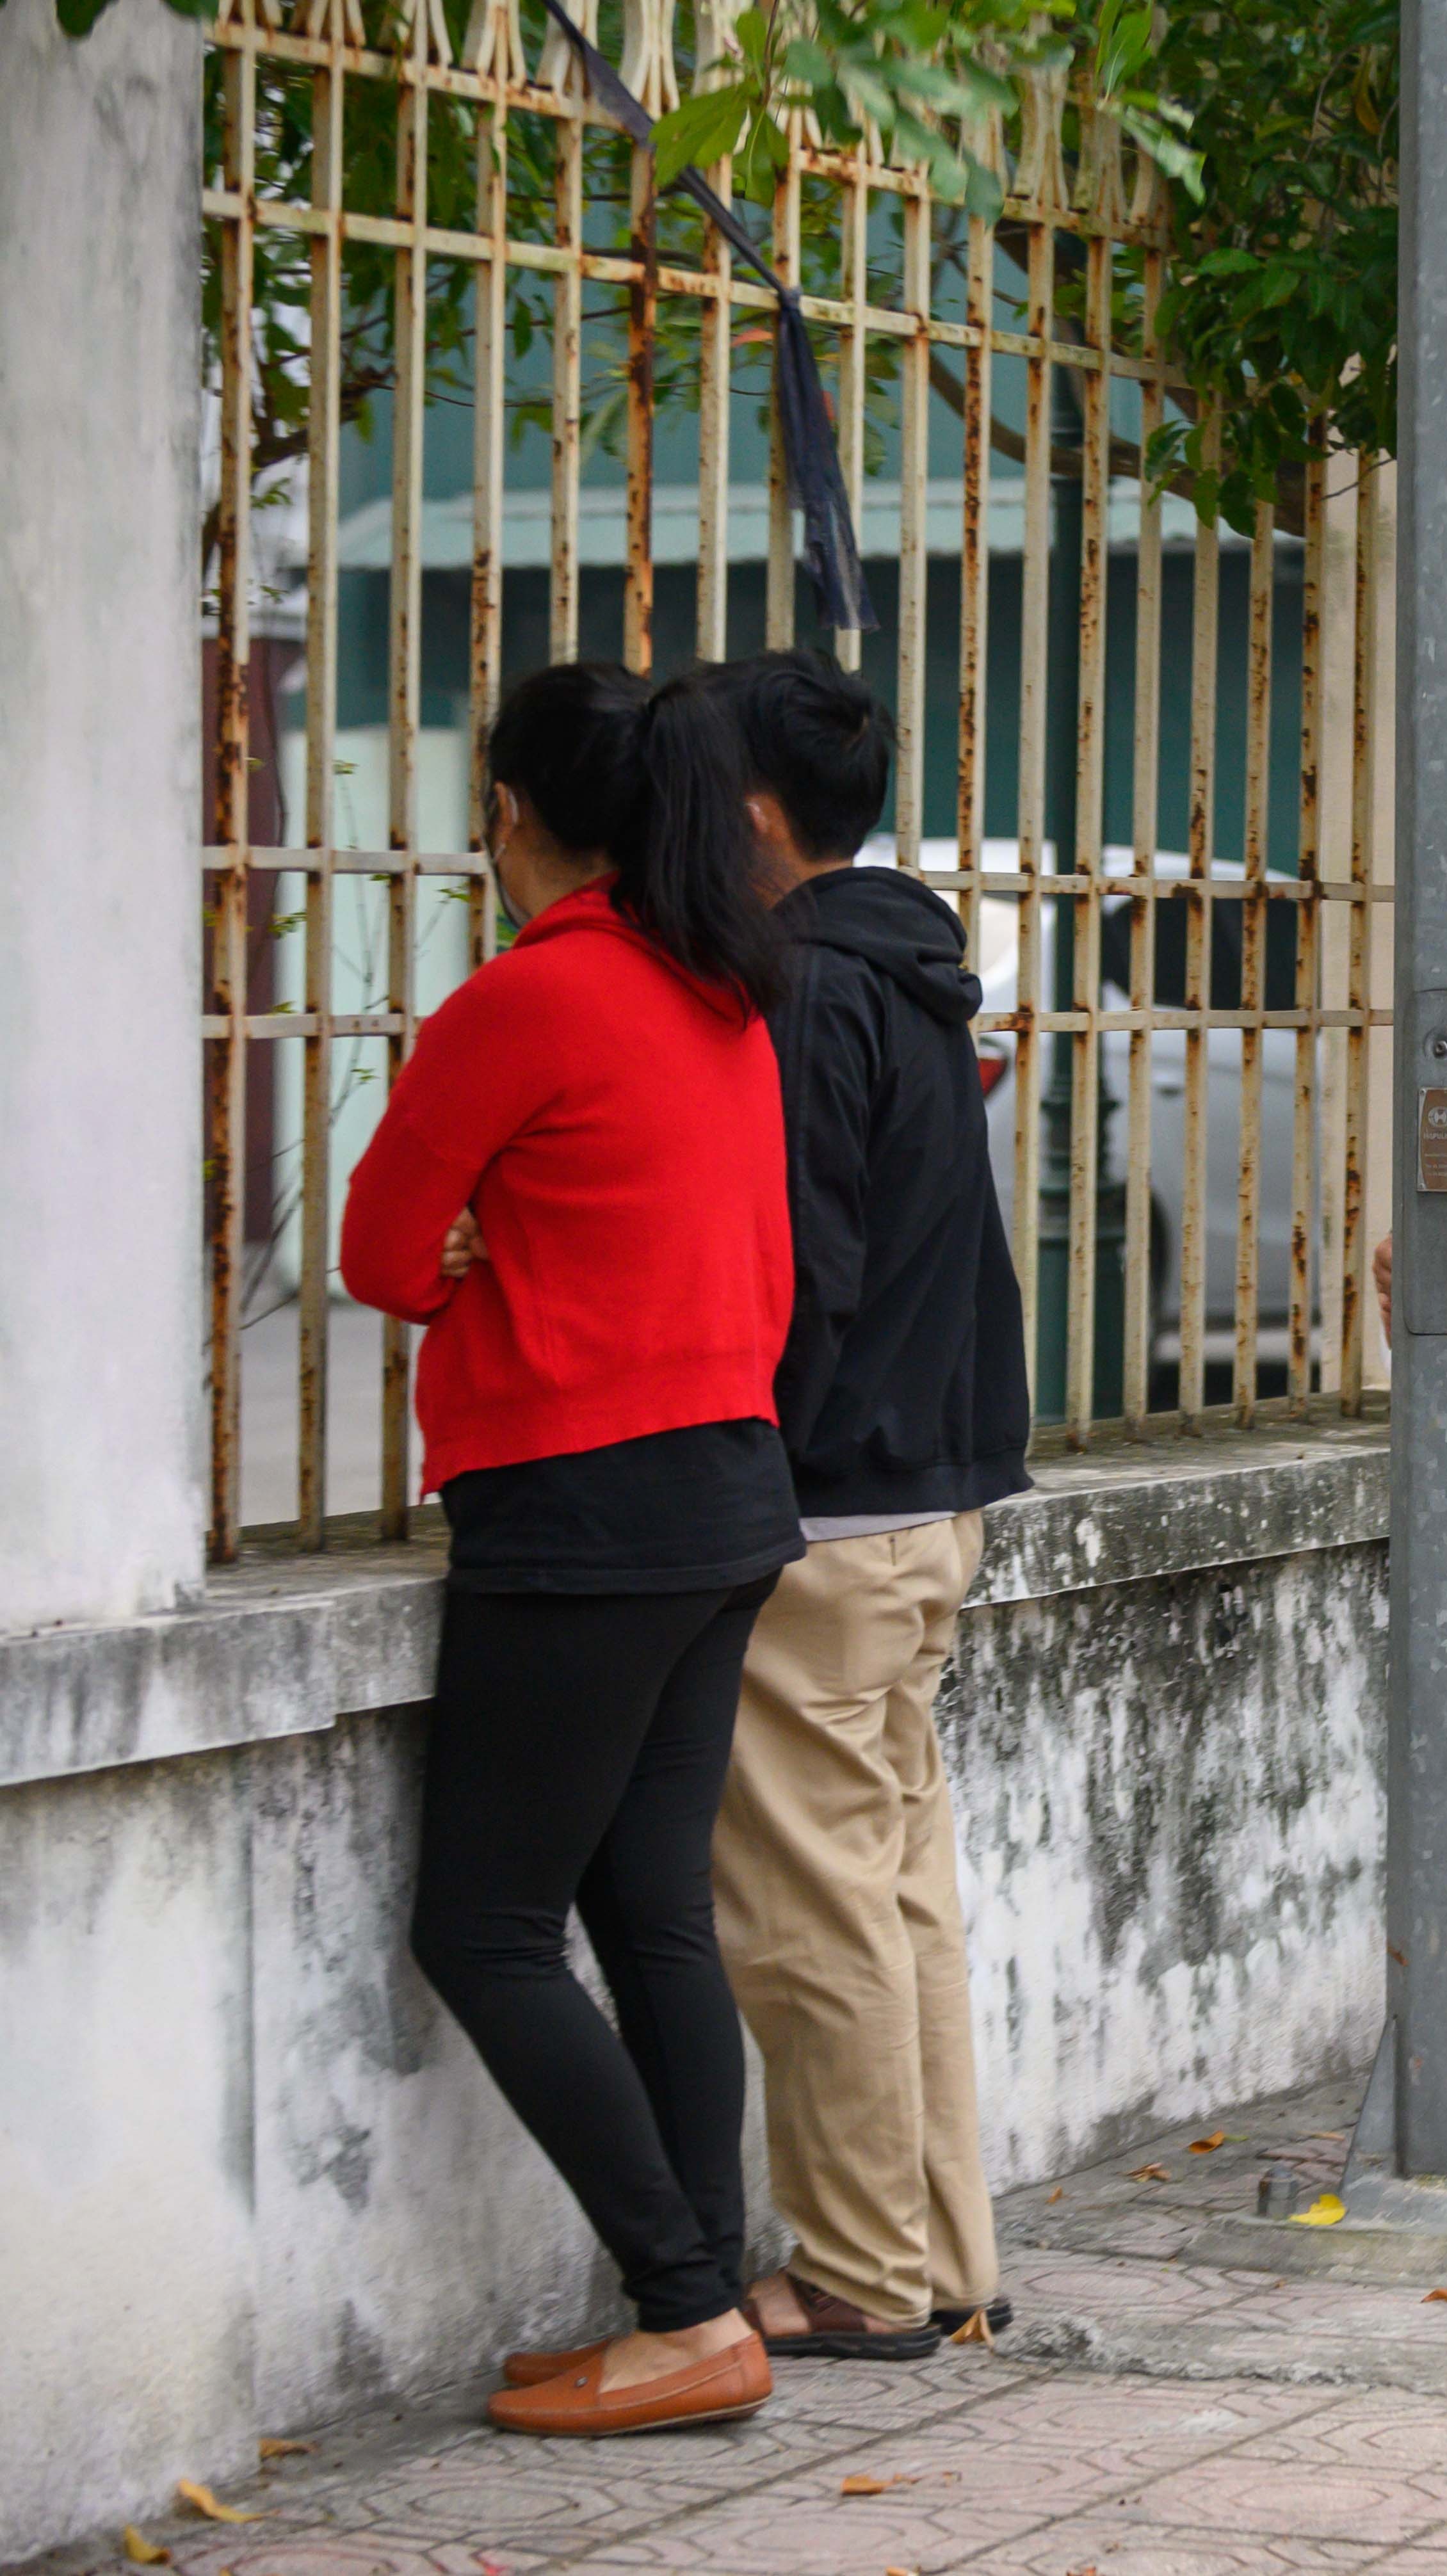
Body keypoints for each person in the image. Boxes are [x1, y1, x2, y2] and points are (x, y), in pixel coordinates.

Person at [339, 661, 797, 2437]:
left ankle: (686, 2311)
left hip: (585, 1503)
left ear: (511, 812)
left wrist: (468, 1249)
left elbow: (381, 1254)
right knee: (648, 1911)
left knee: (488, 1927)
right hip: (730, 1491)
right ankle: (702, 2300)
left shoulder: (526, 1004)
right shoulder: (723, 990)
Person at [701, 650, 1030, 2363]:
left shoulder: (807, 994)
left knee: (812, 1905)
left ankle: (854, 2273)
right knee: (897, 1887)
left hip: (830, 1515)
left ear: (754, 812)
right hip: (931, 1497)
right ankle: (934, 2252)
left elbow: (801, 1276)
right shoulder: (910, 974)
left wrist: (749, 1466)